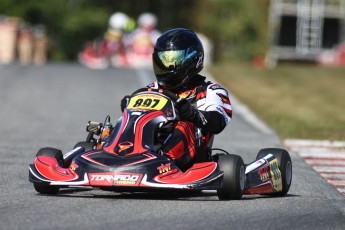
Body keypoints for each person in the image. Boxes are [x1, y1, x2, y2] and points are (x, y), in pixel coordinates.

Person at [121, 28, 232, 171]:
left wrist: (193, 114)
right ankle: (114, 154)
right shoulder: (151, 89)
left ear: (191, 60)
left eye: (172, 61)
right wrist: (129, 107)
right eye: (163, 61)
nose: (166, 67)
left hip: (191, 158)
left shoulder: (210, 91)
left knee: (184, 125)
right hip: (147, 146)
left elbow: (218, 122)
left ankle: (159, 163)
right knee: (122, 123)